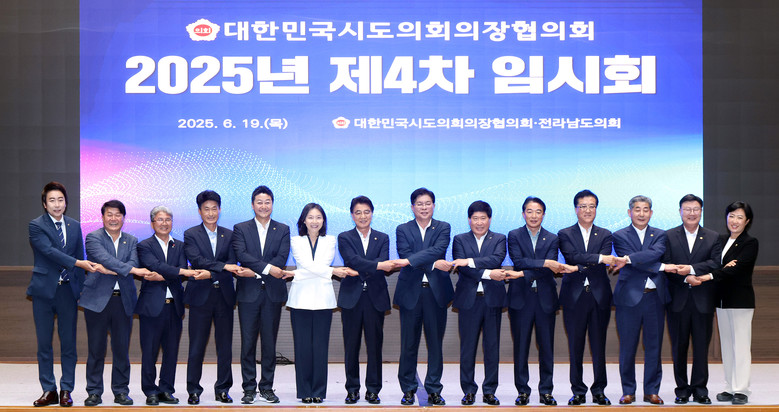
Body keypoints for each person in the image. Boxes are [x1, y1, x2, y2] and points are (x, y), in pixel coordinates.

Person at [28, 182, 96, 407]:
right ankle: (49, 390)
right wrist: (78, 262)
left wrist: (81, 288)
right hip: (43, 292)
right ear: (44, 204)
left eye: (60, 200)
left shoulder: (75, 225)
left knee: (68, 344)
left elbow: (79, 254)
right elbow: (49, 251)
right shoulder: (36, 225)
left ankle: (66, 389)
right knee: (44, 344)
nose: (57, 204)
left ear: (66, 203)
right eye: (52, 200)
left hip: (68, 291)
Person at [82, 199, 154, 406]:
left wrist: (109, 270)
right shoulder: (93, 237)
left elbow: (133, 263)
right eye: (109, 214)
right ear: (103, 217)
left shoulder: (132, 240)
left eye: (117, 215)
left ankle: (121, 391)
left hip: (123, 301)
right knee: (96, 349)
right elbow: (103, 258)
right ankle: (94, 391)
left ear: (123, 218)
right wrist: (128, 270)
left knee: (121, 349)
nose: (113, 218)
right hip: (97, 301)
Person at [281, 203, 354, 403]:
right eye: (311, 217)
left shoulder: (330, 240)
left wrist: (296, 274)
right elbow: (308, 265)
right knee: (302, 347)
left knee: (320, 348)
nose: (315, 221)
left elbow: (316, 266)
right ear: (303, 220)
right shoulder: (295, 240)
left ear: (323, 221)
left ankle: (319, 392)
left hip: (323, 300)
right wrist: (332, 271)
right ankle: (305, 391)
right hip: (300, 300)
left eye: (319, 217)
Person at [507, 196, 575, 406]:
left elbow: (550, 270)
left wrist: (534, 269)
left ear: (543, 215)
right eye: (529, 211)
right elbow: (519, 261)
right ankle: (523, 391)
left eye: (538, 212)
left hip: (545, 299)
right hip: (521, 299)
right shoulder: (514, 235)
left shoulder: (552, 238)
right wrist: (545, 263)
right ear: (523, 214)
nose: (534, 215)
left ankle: (546, 391)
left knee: (546, 347)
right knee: (521, 347)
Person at [136, 206, 208, 405]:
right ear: (152, 223)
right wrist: (178, 272)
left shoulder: (180, 245)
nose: (164, 223)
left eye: (168, 219)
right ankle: (150, 391)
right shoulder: (144, 246)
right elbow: (155, 266)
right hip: (151, 307)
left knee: (171, 351)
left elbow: (175, 269)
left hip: (174, 306)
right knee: (149, 351)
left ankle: (166, 389)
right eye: (160, 220)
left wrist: (167, 274)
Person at [392, 187, 454, 406]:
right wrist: (433, 263)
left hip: (436, 293)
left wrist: (415, 260)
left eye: (428, 203)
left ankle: (434, 389)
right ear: (412, 207)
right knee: (408, 344)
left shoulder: (443, 227)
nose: (424, 207)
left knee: (435, 344)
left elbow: (438, 249)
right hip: (411, 293)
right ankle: (408, 389)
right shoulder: (402, 229)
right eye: (419, 204)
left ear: (433, 206)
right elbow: (404, 254)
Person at [231, 185, 290, 404]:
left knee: (269, 343)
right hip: (248, 294)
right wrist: (266, 270)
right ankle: (248, 388)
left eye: (267, 202)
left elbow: (281, 258)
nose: (263, 206)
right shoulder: (241, 228)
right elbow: (242, 255)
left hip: (272, 294)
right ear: (253, 204)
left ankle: (266, 387)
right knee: (248, 343)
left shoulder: (283, 229)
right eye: (259, 202)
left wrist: (257, 271)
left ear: (272, 204)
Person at [183, 190, 242, 404]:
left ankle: (223, 389)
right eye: (206, 209)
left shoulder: (230, 234)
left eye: (214, 208)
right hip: (200, 297)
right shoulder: (190, 234)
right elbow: (197, 261)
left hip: (224, 296)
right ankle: (193, 390)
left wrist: (213, 272)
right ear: (200, 211)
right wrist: (222, 268)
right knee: (196, 345)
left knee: (224, 346)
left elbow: (233, 263)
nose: (210, 213)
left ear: (220, 209)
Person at [662, 194, 722, 405]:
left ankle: (700, 389)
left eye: (696, 209)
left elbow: (715, 262)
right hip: (677, 300)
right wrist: (685, 277)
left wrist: (692, 269)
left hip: (702, 300)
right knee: (678, 348)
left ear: (701, 211)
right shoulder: (668, 236)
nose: (691, 213)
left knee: (701, 348)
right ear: (680, 212)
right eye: (687, 209)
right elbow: (666, 265)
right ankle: (681, 389)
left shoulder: (713, 236)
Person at [557, 190, 614, 406]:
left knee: (599, 346)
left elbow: (581, 259)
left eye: (592, 206)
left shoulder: (606, 234)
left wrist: (581, 264)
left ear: (596, 209)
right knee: (576, 346)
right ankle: (578, 391)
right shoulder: (565, 233)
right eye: (583, 206)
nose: (588, 210)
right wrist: (599, 258)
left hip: (599, 297)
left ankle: (599, 390)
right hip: (574, 297)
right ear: (576, 209)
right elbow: (572, 256)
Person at [699, 201, 758, 405]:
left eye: (740, 217)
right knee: (726, 345)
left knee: (741, 346)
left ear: (747, 221)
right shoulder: (721, 240)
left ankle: (741, 390)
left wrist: (714, 273)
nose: (734, 221)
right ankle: (729, 387)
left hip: (741, 301)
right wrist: (724, 266)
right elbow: (716, 264)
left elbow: (737, 269)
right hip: (721, 301)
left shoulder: (750, 243)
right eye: (731, 216)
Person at [336, 196, 393, 405]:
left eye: (366, 212)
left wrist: (361, 269)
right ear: (352, 215)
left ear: (372, 213)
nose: (363, 216)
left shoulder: (383, 237)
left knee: (374, 346)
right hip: (352, 298)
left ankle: (373, 390)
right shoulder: (344, 237)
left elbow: (383, 261)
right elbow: (352, 260)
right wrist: (376, 266)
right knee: (351, 346)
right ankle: (352, 389)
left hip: (375, 298)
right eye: (358, 212)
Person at [612, 195, 668, 405]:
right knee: (627, 347)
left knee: (654, 346)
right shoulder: (619, 235)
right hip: (628, 299)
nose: (641, 213)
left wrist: (629, 259)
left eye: (646, 210)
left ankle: (651, 390)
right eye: (637, 209)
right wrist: (661, 266)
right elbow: (647, 259)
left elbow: (656, 253)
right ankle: (628, 390)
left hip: (655, 298)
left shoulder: (660, 234)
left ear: (651, 213)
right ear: (630, 212)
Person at [450, 200, 507, 406]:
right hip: (469, 301)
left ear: (489, 219)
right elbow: (463, 268)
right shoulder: (460, 239)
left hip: (492, 300)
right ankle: (468, 390)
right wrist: (489, 274)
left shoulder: (499, 238)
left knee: (492, 347)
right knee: (468, 347)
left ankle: (490, 391)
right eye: (475, 218)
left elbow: (496, 259)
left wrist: (469, 261)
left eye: (483, 218)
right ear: (469, 220)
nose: (479, 222)